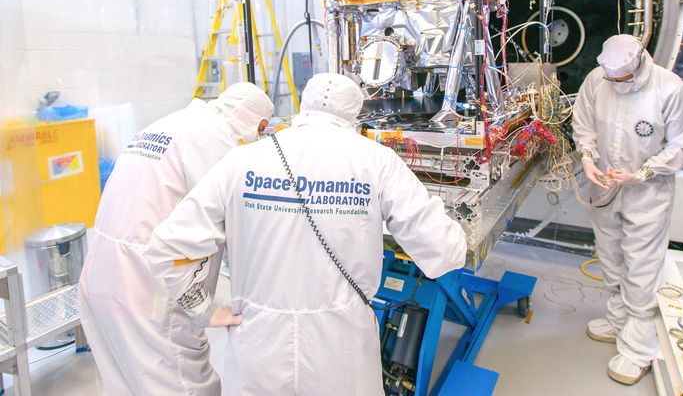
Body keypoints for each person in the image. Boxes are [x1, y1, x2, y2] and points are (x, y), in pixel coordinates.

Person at [145, 72, 468, 396]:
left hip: (258, 351)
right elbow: (444, 250)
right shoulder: (376, 161)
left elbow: (165, 248)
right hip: (341, 353)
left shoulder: (241, 161)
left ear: (304, 105)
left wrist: (203, 310)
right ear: (354, 113)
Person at [78, 82, 274, 396]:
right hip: (146, 286)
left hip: (100, 273)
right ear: (254, 121)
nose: (259, 136)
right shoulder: (215, 138)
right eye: (262, 129)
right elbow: (232, 218)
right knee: (182, 384)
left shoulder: (172, 123)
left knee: (125, 384)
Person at [572, 34, 683, 385]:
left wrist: (644, 172)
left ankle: (639, 348)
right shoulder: (598, 80)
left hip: (648, 192)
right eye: (613, 79)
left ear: (640, 64)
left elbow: (681, 142)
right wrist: (587, 157)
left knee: (641, 265)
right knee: (610, 256)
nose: (618, 85)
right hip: (606, 185)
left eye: (624, 79)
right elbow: (583, 122)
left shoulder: (669, 89)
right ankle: (617, 321)